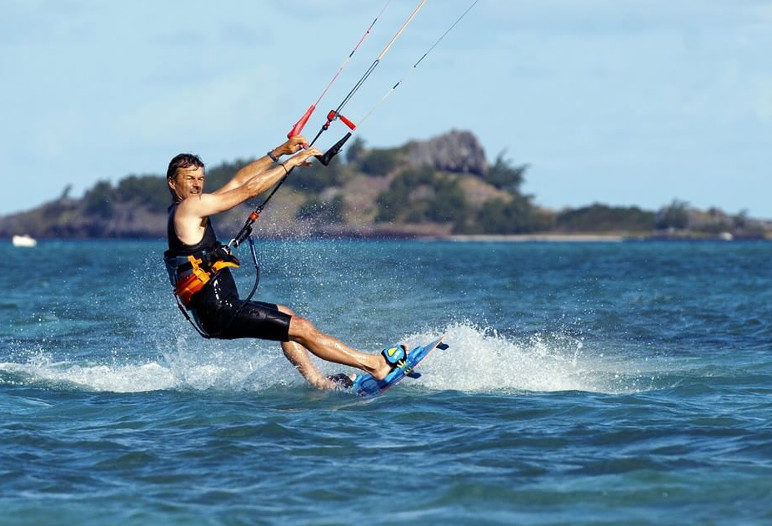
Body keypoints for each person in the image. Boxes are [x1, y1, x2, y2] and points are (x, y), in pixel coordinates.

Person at [163, 137, 399, 390]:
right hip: (219, 310)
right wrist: (292, 162)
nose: (197, 185)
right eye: (189, 178)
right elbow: (249, 191)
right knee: (302, 329)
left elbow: (238, 181)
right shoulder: (189, 208)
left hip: (216, 310)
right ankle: (375, 365)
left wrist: (278, 153)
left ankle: (319, 382)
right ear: (173, 183)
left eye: (200, 178)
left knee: (288, 316)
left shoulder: (188, 209)